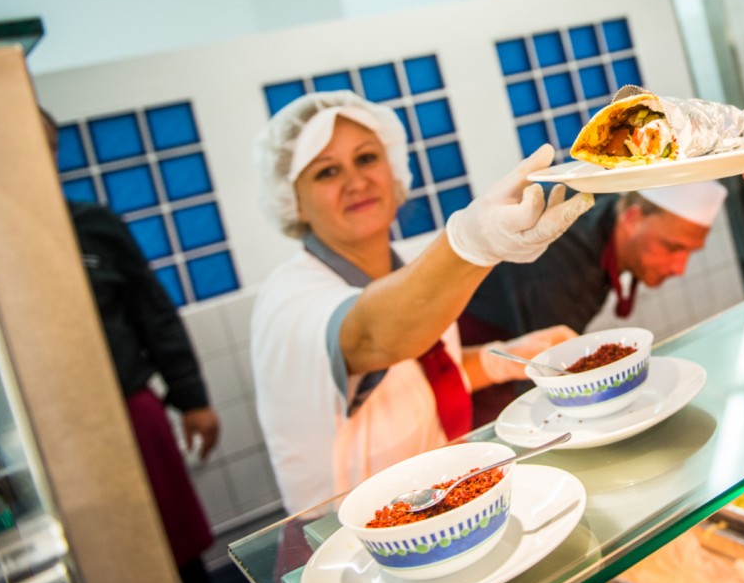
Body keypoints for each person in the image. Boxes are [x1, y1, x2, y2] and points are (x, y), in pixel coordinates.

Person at [250, 91, 592, 514]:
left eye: (366, 159)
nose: (356, 182)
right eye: (326, 172)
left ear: (394, 171)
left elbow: (410, 378)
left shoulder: (406, 264)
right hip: (351, 538)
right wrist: (473, 240)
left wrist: (500, 359)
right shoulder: (287, 300)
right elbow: (375, 337)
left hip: (437, 503)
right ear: (294, 200)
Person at [42, 111, 220, 583]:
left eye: (44, 145)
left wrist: (193, 397)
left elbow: (153, 311)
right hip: (50, 437)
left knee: (179, 554)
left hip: (131, 409)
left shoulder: (94, 225)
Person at [458, 181, 727, 423]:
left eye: (689, 252)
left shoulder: (603, 212)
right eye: (671, 248)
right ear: (633, 218)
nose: (680, 268)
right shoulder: (565, 260)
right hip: (471, 377)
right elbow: (551, 377)